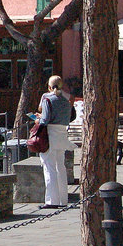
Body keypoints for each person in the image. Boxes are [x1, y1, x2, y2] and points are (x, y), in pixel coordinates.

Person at [36, 75, 77, 209]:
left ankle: (51, 200)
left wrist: (37, 120)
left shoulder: (48, 99)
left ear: (49, 86)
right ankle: (63, 200)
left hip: (50, 135)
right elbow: (70, 117)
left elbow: (45, 119)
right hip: (62, 135)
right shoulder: (66, 101)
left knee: (49, 168)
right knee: (61, 167)